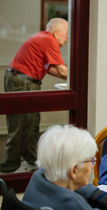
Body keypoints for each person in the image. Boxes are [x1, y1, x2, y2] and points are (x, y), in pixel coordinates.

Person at [0, 18, 68, 174]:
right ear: (57, 32)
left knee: (31, 123)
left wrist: (66, 77)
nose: (67, 37)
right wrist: (77, 78)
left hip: (24, 80)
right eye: (66, 34)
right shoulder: (49, 41)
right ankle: (9, 168)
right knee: (19, 124)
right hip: (22, 81)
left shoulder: (43, 39)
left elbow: (49, 68)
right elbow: (62, 70)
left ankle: (30, 161)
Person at [22, 125, 107, 210]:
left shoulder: (39, 176)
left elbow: (81, 188)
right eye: (91, 161)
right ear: (73, 171)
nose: (92, 166)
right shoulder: (71, 204)